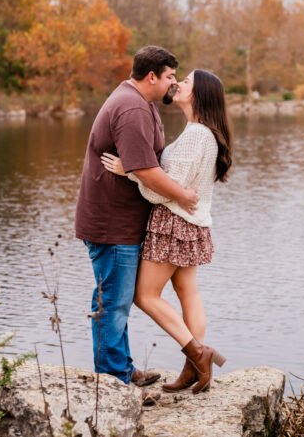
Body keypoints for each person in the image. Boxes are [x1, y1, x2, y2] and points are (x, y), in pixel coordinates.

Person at [75, 46, 199, 404]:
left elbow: (144, 164)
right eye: (170, 77)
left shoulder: (139, 103)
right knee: (111, 302)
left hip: (121, 222)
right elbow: (145, 170)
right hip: (112, 223)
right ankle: (113, 382)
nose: (174, 83)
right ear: (152, 77)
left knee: (117, 299)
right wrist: (183, 196)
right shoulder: (131, 108)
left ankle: (123, 368)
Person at [100, 69, 232, 394]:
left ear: (198, 95)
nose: (177, 84)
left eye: (185, 82)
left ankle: (198, 354)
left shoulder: (195, 136)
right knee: (188, 291)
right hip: (193, 223)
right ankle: (193, 368)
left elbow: (164, 191)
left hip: (173, 223)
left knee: (144, 296)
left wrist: (130, 172)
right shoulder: (201, 132)